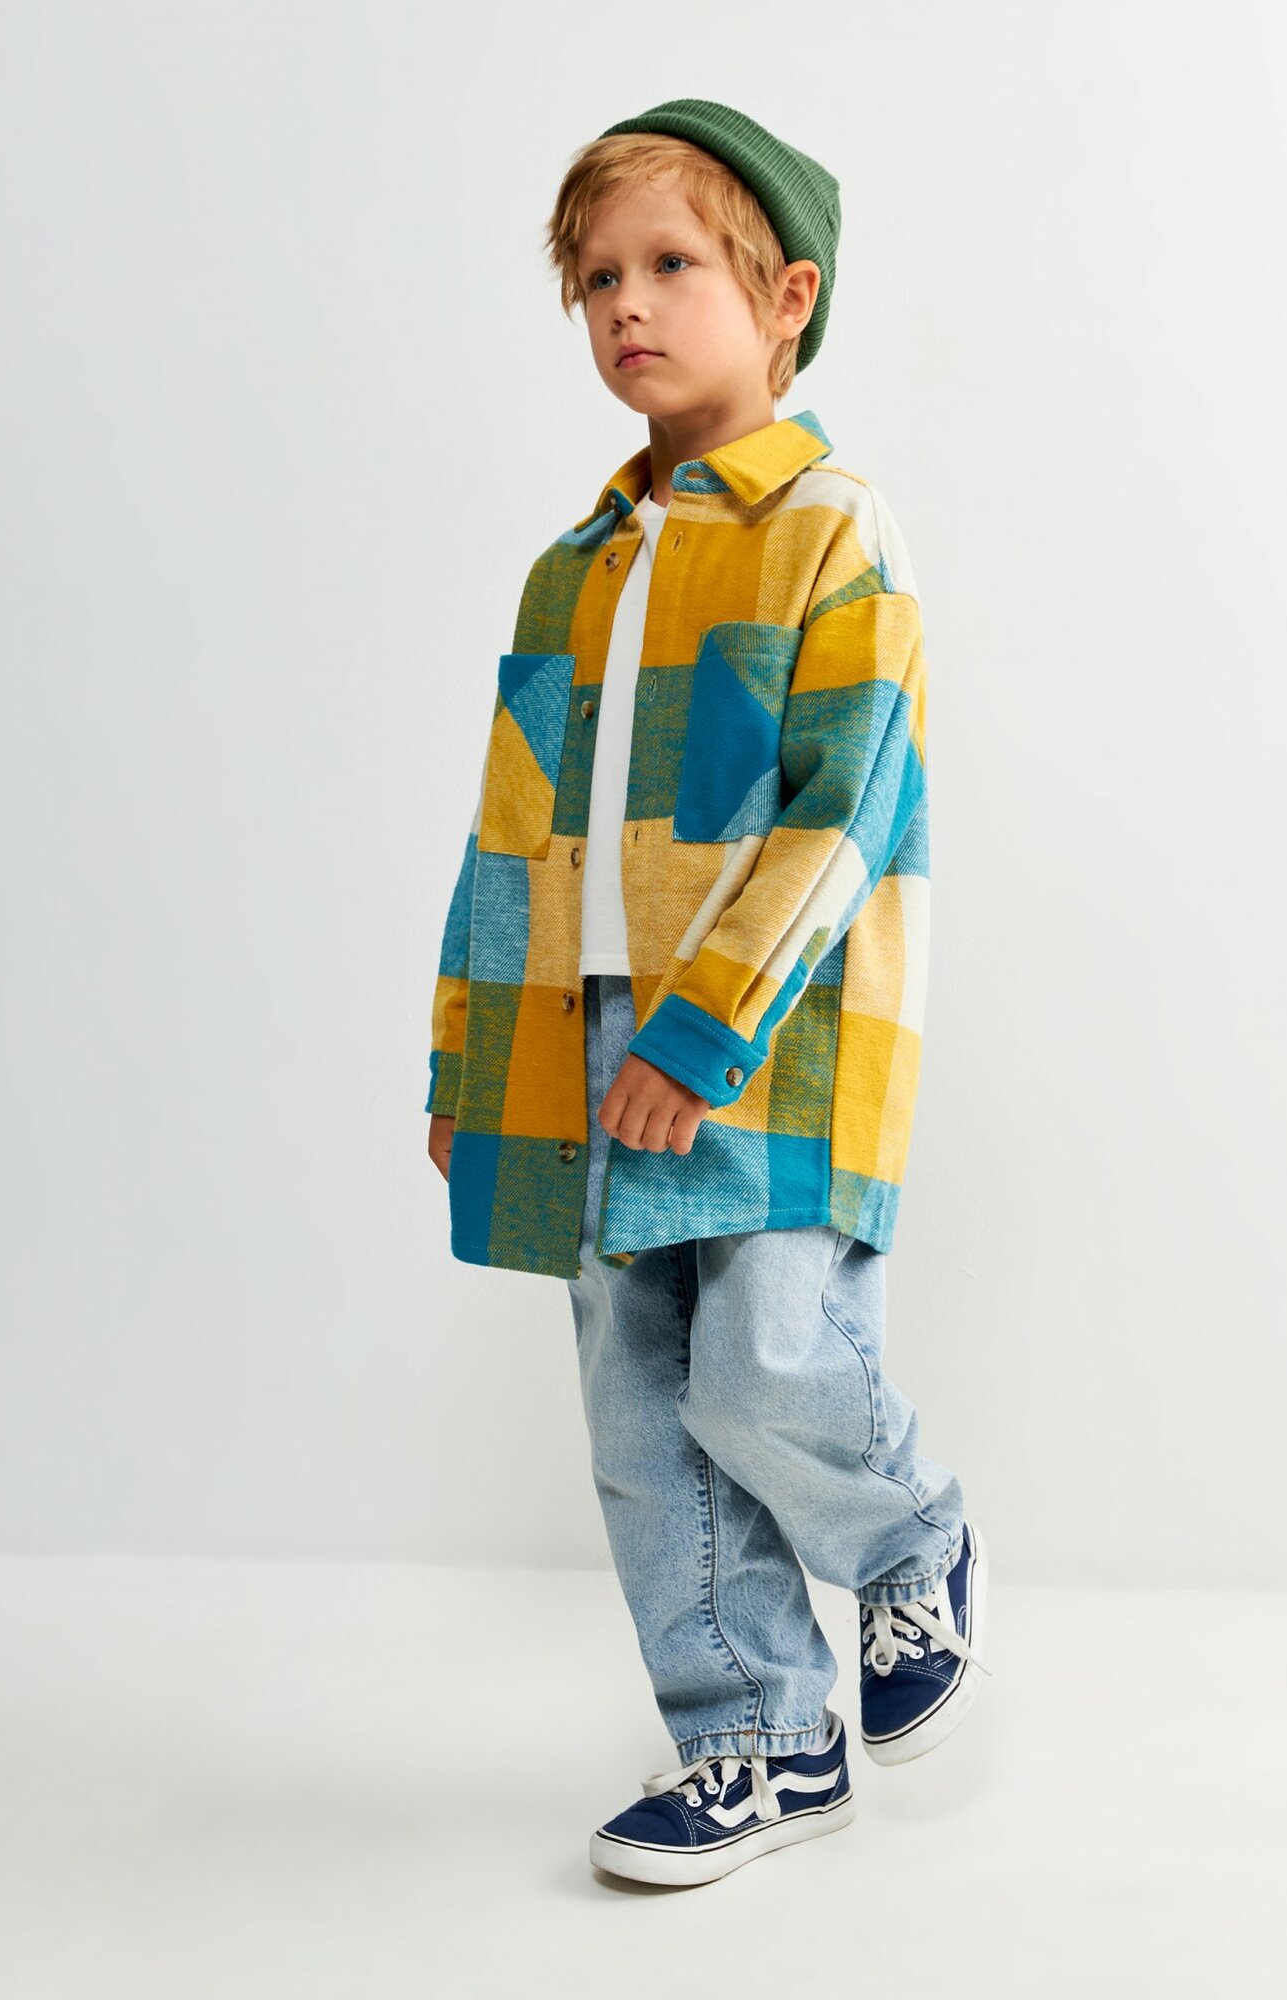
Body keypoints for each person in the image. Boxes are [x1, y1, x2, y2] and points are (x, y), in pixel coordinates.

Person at [423, 97, 991, 1887]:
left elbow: (844, 813)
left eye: (670, 265)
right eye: (597, 277)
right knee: (640, 1416)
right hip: (579, 1035)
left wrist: (703, 1028)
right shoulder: (573, 571)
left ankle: (909, 1541)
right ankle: (756, 1737)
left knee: (762, 1361)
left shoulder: (833, 529)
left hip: (775, 1037)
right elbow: (512, 832)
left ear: (787, 295)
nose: (627, 305)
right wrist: (467, 1057)